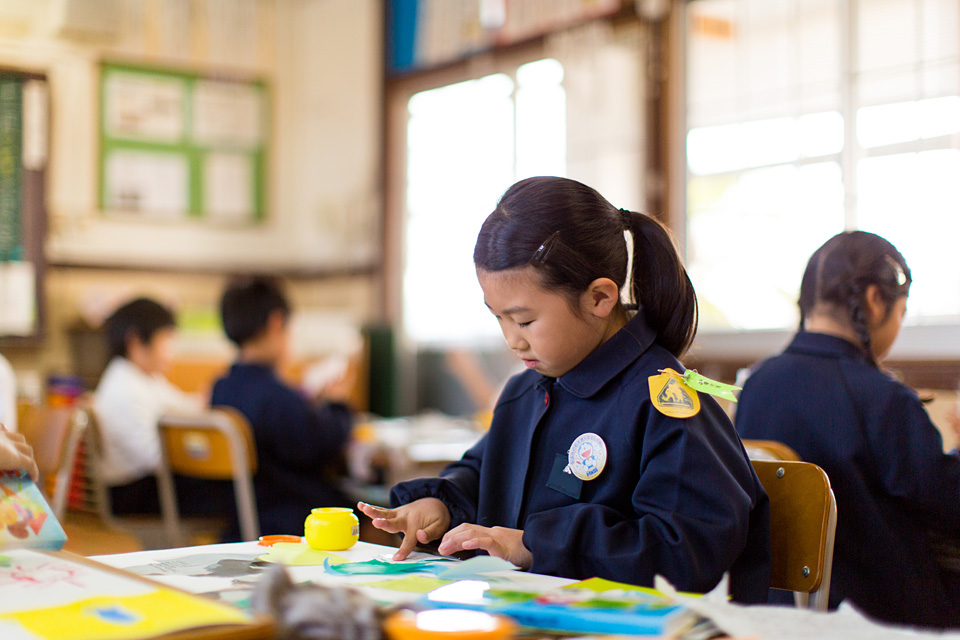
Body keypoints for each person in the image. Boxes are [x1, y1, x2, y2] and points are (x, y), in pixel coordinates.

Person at [359, 177, 771, 603]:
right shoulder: (525, 393)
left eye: (524, 321)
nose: (511, 340)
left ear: (599, 298)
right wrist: (442, 505)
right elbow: (484, 474)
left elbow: (685, 548)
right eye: (498, 318)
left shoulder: (666, 402)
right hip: (519, 613)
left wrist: (534, 544)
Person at [735, 231, 960, 628]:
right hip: (874, 617)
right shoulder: (882, 398)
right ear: (875, 299)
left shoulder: (756, 384)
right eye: (902, 312)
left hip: (773, 612)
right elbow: (948, 503)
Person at [211, 276, 354, 537]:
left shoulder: (221, 388)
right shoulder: (276, 396)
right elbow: (322, 444)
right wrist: (337, 404)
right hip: (289, 517)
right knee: (369, 512)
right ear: (276, 323)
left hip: (239, 518)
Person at [93, 298, 226, 515]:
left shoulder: (144, 379)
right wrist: (200, 449)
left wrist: (205, 399)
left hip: (149, 484)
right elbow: (154, 458)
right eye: (166, 339)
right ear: (136, 341)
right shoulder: (125, 388)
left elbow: (184, 405)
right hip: (133, 492)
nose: (171, 351)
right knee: (230, 491)